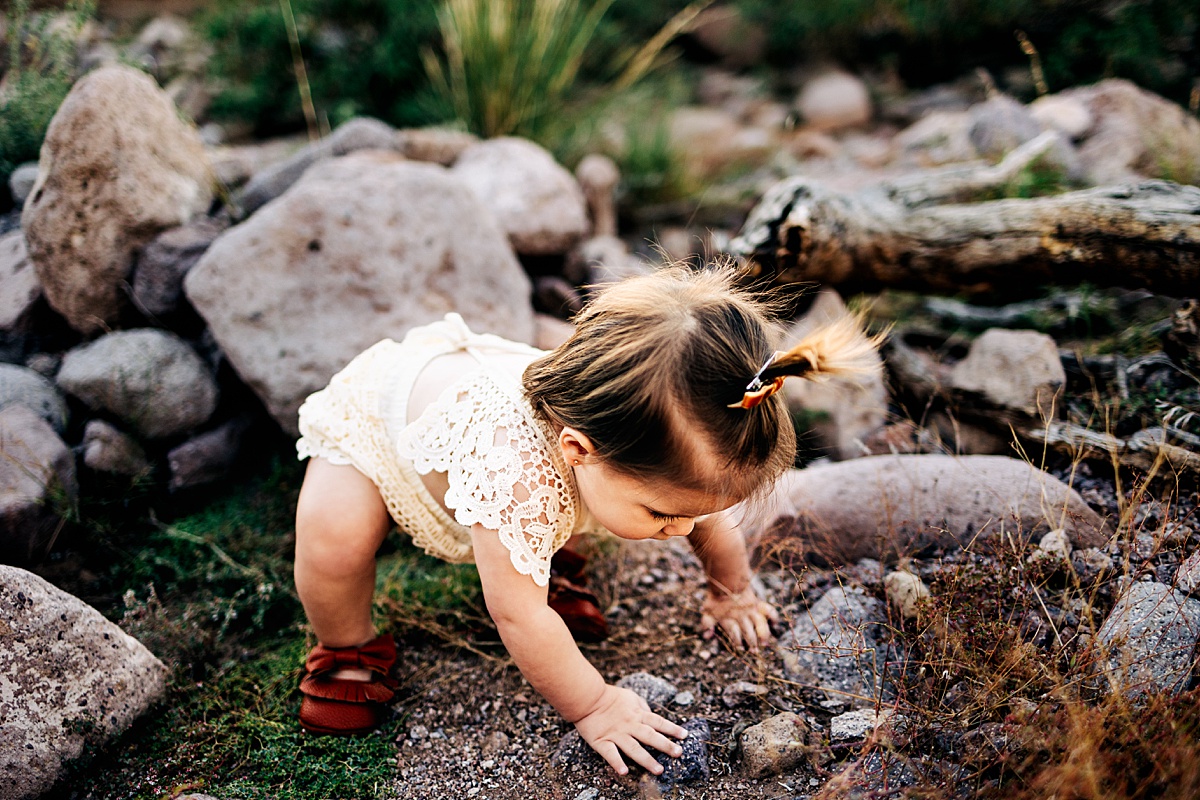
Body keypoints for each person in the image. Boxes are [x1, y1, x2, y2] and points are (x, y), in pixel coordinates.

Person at [291, 266, 882, 776]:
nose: (681, 529)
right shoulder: (516, 470)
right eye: (663, 513)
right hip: (380, 426)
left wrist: (732, 590)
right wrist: (596, 705)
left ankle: (541, 554)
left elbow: (706, 518)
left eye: (690, 514)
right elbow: (516, 616)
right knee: (333, 545)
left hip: (520, 424)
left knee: (582, 517)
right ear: (577, 450)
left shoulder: (634, 439)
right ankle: (347, 648)